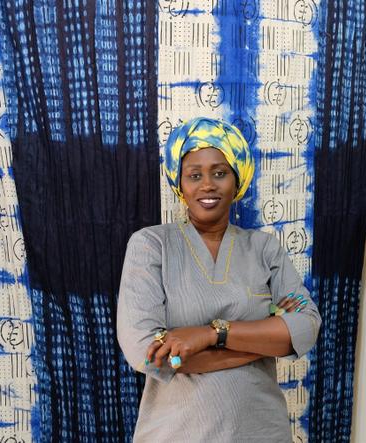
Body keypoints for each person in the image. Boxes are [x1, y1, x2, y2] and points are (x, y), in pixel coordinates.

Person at [117, 117, 321, 442]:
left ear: (237, 179)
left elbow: (305, 325)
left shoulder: (263, 249)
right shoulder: (152, 246)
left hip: (261, 431)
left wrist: (211, 334)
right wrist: (261, 345)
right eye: (194, 175)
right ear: (180, 184)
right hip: (176, 433)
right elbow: (146, 349)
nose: (207, 185)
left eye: (220, 173)